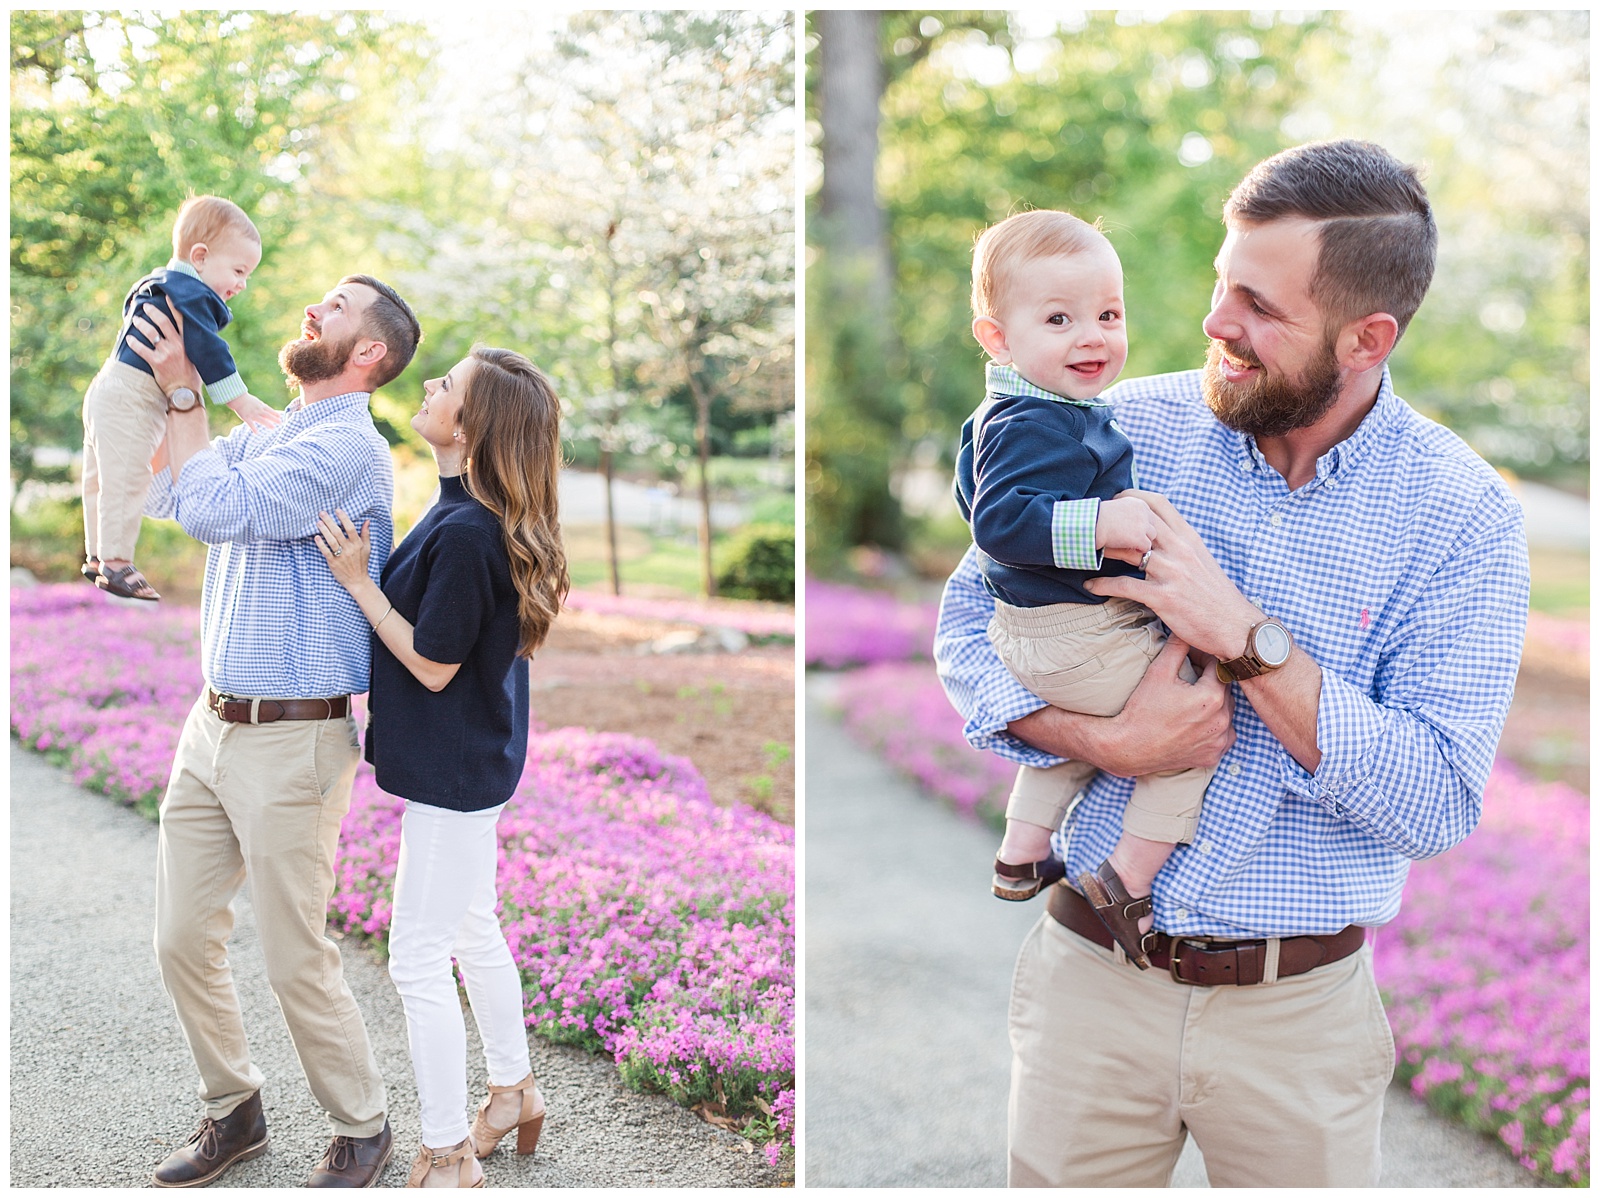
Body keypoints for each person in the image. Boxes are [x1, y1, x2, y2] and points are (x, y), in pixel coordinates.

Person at [933, 139, 1528, 1186]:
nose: (1214, 323)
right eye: (1220, 285)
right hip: (1089, 989)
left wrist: (1245, 639)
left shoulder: (1462, 518)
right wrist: (1098, 739)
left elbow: (1434, 802)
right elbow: (966, 616)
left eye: (1257, 305)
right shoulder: (1121, 427)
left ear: (1366, 336)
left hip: (1298, 1023)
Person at [128, 273, 423, 1187]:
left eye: (335, 308)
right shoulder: (283, 430)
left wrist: (185, 393)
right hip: (210, 727)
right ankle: (234, 1110)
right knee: (180, 937)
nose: (311, 310)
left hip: (295, 741)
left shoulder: (347, 450)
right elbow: (174, 502)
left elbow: (214, 505)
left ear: (368, 353)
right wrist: (175, 402)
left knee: (297, 952)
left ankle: (364, 1125)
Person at [314, 345, 569, 1188]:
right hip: (474, 765)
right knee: (473, 926)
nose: (428, 386)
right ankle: (514, 1091)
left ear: (472, 425)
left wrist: (358, 582)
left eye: (446, 385)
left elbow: (432, 663)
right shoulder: (466, 509)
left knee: (416, 958)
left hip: (456, 777)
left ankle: (448, 1149)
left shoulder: (467, 532)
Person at [955, 208, 1211, 967]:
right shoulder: (1037, 422)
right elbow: (998, 522)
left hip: (1037, 636)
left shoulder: (1017, 413)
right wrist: (1104, 525)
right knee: (1187, 733)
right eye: (1060, 318)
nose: (1093, 336)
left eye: (1108, 314)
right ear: (997, 337)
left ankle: (1022, 852)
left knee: (1073, 741)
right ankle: (1126, 880)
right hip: (1074, 634)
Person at [80, 195, 283, 601]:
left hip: (107, 386)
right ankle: (117, 563)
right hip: (134, 396)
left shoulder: (158, 282)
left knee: (100, 478)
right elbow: (210, 350)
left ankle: (97, 555)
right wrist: (239, 400)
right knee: (127, 477)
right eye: (239, 271)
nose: (242, 285)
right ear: (201, 257)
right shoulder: (192, 294)